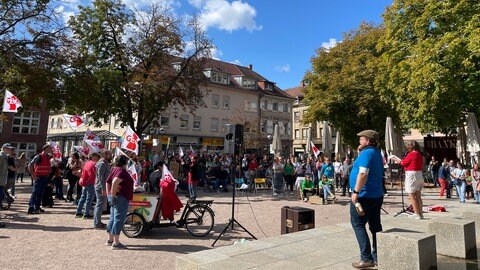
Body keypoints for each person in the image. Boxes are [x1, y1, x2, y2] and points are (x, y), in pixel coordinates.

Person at [350, 130, 384, 269]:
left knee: (358, 224)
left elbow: (363, 173)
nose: (359, 141)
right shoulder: (376, 153)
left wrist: (356, 192)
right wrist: (359, 154)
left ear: (368, 141)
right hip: (376, 195)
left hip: (364, 196)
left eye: (362, 139)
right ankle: (378, 255)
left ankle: (366, 258)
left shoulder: (367, 153)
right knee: (375, 226)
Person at [106, 155, 134, 249]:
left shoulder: (114, 169)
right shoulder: (121, 171)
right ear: (124, 162)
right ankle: (116, 242)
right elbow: (114, 182)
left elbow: (108, 182)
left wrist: (109, 194)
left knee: (113, 218)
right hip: (121, 197)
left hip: (116, 196)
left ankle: (110, 240)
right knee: (118, 219)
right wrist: (112, 195)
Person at [393, 140, 424, 219]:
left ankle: (416, 213)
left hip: (411, 174)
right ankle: (420, 213)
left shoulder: (411, 154)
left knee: (411, 195)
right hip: (419, 174)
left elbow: (403, 163)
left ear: (410, 146)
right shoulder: (419, 154)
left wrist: (396, 160)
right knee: (418, 195)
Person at [27, 144, 53, 214]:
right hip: (39, 177)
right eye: (50, 148)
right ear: (46, 149)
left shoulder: (48, 157)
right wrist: (33, 175)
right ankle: (31, 207)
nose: (51, 149)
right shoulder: (39, 156)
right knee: (35, 193)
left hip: (44, 177)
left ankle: (37, 207)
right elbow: (30, 165)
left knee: (40, 193)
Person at [94, 149, 112, 229]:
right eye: (109, 155)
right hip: (101, 187)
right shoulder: (102, 164)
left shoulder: (104, 163)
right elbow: (101, 177)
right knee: (99, 205)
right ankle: (97, 224)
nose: (111, 156)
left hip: (102, 186)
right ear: (104, 155)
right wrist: (103, 189)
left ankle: (98, 222)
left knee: (101, 205)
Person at [0, 143, 15, 227]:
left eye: (11, 149)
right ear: (4, 148)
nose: (10, 150)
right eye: (8, 149)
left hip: (2, 182)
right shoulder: (1, 156)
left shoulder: (5, 157)